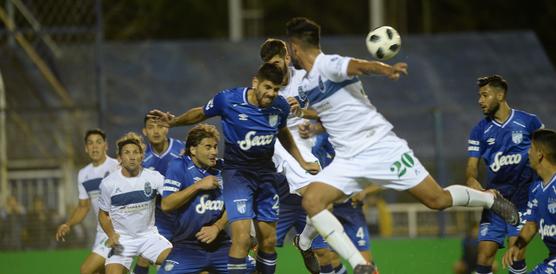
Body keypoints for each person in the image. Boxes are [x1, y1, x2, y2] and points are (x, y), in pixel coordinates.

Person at [285, 17, 520, 274]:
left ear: (296, 47)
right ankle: (361, 265)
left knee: (437, 200)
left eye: (290, 48)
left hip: (382, 148)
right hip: (348, 159)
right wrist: (307, 117)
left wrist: (385, 70)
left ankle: (488, 199)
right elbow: (332, 111)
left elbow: (358, 66)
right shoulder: (307, 82)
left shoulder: (327, 63)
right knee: (312, 200)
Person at [148, 63, 320, 274]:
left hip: (266, 175)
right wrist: (173, 122)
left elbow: (283, 132)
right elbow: (200, 113)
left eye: (276, 89)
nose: (271, 93)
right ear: (255, 82)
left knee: (268, 240)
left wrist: (301, 162)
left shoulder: (280, 106)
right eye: (267, 87)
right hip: (237, 174)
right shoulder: (228, 99)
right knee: (241, 237)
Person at [466, 75, 543, 274]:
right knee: (483, 257)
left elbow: (547, 153)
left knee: (515, 254)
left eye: (485, 95)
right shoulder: (479, 131)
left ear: (500, 95)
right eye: (479, 96)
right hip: (496, 202)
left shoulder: (529, 122)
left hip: (523, 200)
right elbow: (472, 167)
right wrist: (472, 181)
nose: (480, 101)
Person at [158, 123, 254, 273]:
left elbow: (237, 203)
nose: (214, 152)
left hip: (221, 246)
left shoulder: (224, 169)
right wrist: (197, 186)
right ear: (193, 149)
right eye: (208, 147)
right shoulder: (179, 166)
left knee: (254, 269)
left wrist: (217, 226)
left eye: (215, 147)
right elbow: (166, 205)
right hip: (187, 246)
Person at [98, 132, 172, 274]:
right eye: (127, 153)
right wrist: (112, 235)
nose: (132, 156)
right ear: (120, 158)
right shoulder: (108, 184)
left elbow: (173, 195)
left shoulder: (154, 178)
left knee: (178, 264)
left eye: (136, 152)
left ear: (141, 156)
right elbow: (103, 214)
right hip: (122, 240)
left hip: (149, 237)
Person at [55, 129, 119, 274]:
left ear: (106, 146)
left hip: (119, 230)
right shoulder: (84, 174)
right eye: (90, 143)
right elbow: (83, 206)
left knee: (87, 270)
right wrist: (68, 224)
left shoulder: (116, 166)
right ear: (86, 148)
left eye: (98, 142)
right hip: (102, 232)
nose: (94, 146)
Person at [135, 115, 185, 274]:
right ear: (144, 131)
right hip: (160, 219)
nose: (156, 131)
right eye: (151, 127)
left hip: (185, 215)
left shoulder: (182, 150)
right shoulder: (142, 158)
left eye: (160, 126)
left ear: (167, 128)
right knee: (144, 256)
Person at [502, 129, 556, 273]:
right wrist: (516, 246)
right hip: (552, 259)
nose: (527, 153)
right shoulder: (535, 188)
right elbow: (531, 225)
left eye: (531, 148)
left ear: (540, 154)